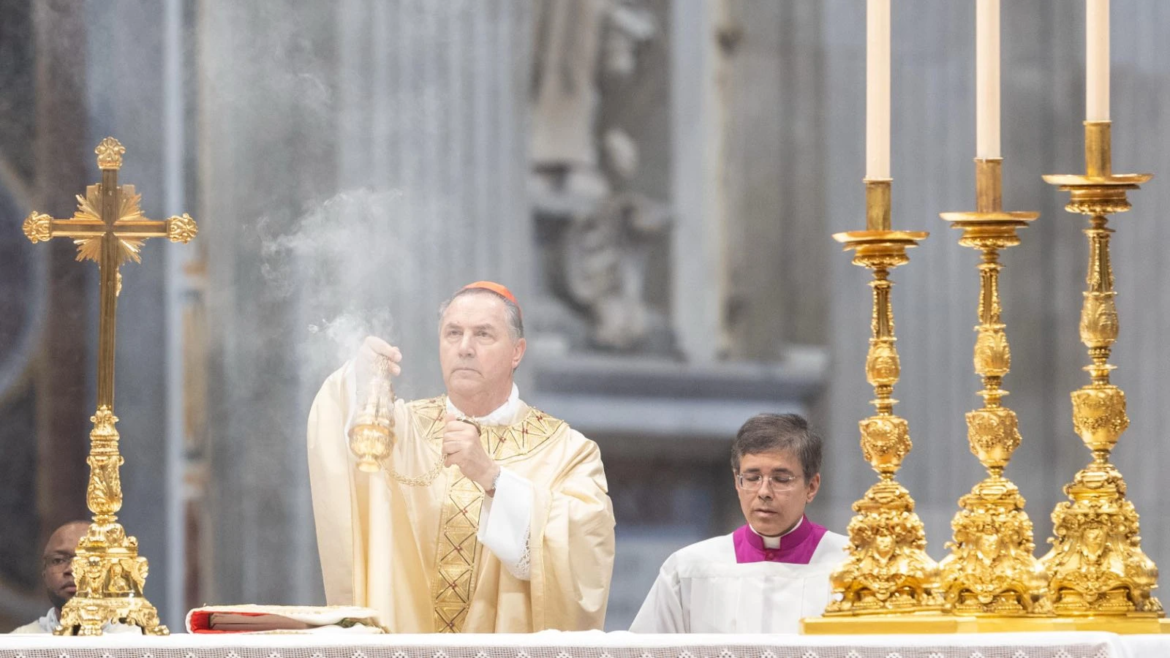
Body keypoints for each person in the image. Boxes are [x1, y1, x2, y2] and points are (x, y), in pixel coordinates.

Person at [307, 282, 615, 633]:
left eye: (483, 334)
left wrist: (494, 480)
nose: (465, 348)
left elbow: (586, 553)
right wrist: (360, 383)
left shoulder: (568, 451)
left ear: (517, 352)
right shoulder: (399, 431)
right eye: (453, 333)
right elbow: (339, 453)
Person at [629, 413, 848, 633]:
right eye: (752, 478)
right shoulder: (688, 569)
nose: (764, 492)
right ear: (737, 482)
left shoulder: (852, 567)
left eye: (781, 479)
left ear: (811, 486)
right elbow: (645, 647)